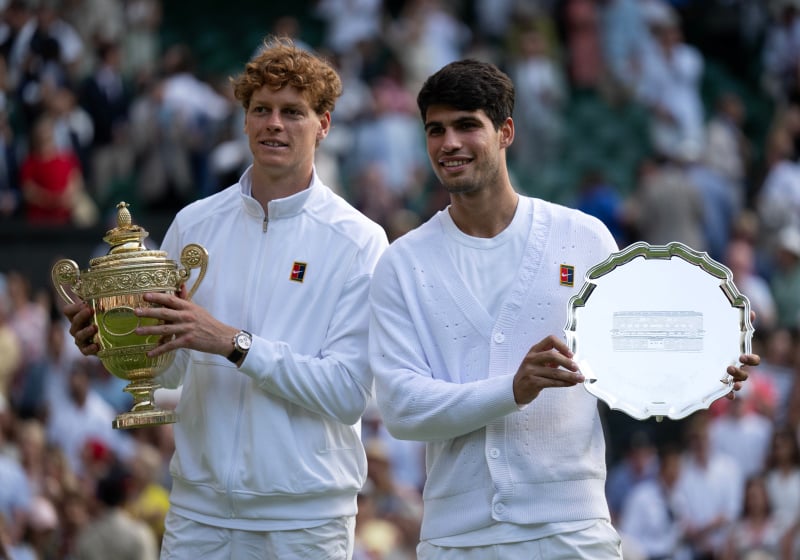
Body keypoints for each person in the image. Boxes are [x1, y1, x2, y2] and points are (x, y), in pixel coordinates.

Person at [367, 58, 759, 559]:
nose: (449, 143)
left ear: (505, 131)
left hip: (573, 530)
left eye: (468, 125)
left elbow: (632, 354)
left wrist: (707, 365)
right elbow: (402, 409)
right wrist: (513, 388)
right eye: (435, 130)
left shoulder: (584, 236)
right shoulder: (401, 262)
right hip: (457, 538)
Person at [64, 36, 388, 559]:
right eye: (261, 109)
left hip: (305, 523)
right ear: (244, 120)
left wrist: (234, 343)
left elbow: (347, 392)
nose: (273, 124)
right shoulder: (194, 223)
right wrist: (110, 341)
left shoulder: (361, 240)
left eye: (292, 112)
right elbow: (167, 370)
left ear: (324, 124)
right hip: (198, 514)